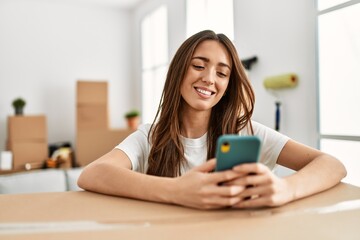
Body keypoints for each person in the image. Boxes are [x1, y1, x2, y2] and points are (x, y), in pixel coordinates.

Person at [77, 30, 346, 210]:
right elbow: (92, 174)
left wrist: (285, 189)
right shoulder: (150, 137)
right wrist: (176, 190)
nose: (209, 78)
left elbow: (332, 165)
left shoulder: (247, 132)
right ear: (179, 72)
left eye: (222, 73)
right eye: (198, 65)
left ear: (229, 84)